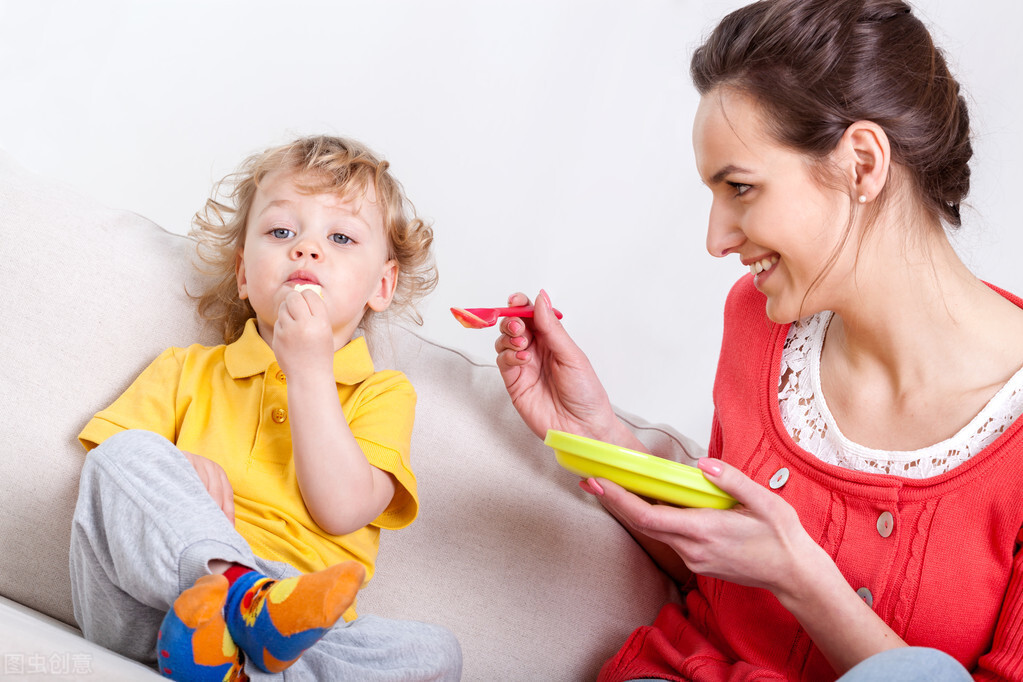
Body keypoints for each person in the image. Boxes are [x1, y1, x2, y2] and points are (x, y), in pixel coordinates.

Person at [494, 1, 1023, 680]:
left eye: (739, 188)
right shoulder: (761, 323)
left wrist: (802, 578)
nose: (716, 240)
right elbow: (719, 576)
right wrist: (597, 436)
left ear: (862, 164)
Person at [69, 135, 462, 681]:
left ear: (383, 283)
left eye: (341, 237)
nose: (306, 249)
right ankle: (241, 598)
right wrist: (176, 468)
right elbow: (114, 486)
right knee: (120, 455)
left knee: (434, 653)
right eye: (281, 232)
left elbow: (342, 509)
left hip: (299, 633)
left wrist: (310, 373)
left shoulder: (383, 394)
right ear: (244, 273)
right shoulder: (187, 368)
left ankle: (242, 660)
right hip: (160, 608)